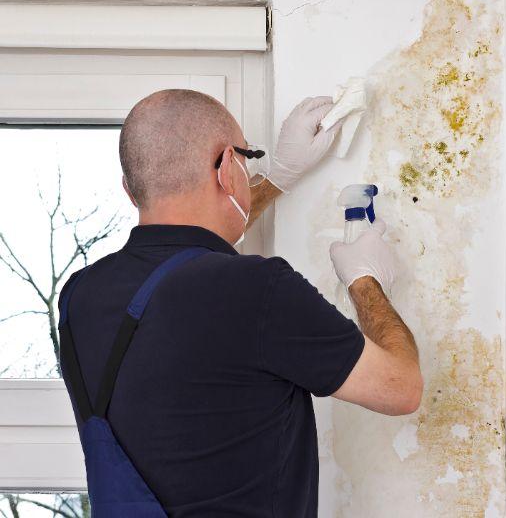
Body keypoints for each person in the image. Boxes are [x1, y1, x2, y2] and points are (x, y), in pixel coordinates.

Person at [58, 89, 422, 517]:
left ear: (130, 188)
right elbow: (400, 388)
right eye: (247, 160)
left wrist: (278, 178)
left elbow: (183, 254)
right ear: (228, 166)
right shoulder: (257, 290)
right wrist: (366, 281)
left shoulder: (80, 297)